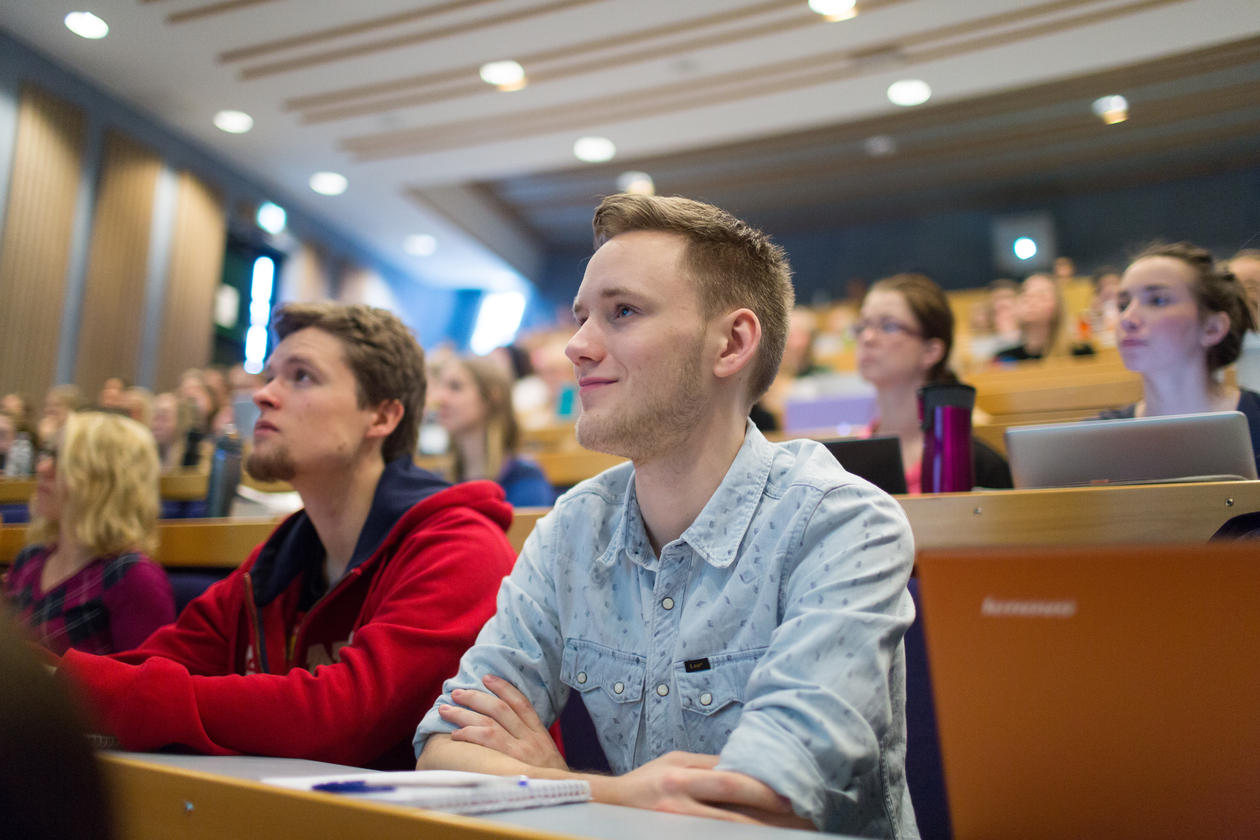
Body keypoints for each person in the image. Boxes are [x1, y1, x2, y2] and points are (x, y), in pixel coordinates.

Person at [414, 194, 918, 837]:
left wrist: (555, 783)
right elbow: (442, 754)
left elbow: (760, 802)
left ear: (732, 343)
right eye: (581, 317)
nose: (576, 346)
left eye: (622, 312)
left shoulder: (843, 525)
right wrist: (604, 794)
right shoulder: (571, 530)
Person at [55, 303, 517, 769]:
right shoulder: (276, 561)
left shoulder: (461, 547)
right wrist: (45, 682)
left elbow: (340, 719)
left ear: (381, 417)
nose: (263, 395)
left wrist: (76, 686)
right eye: (270, 375)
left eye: (302, 377)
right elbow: (157, 662)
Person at [3, 411, 174, 655]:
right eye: (48, 455)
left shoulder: (134, 578)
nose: (42, 468)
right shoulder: (29, 560)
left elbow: (147, 677)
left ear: (104, 480)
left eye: (62, 460)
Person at [1100, 242, 1260, 473]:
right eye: (1123, 305)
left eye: (1158, 300)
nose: (1127, 319)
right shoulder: (1096, 441)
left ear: (1212, 328)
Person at [853, 273, 1012, 493]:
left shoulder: (979, 467)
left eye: (888, 326)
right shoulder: (845, 462)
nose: (867, 337)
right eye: (863, 325)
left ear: (931, 351)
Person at [431, 355, 554, 507]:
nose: (440, 398)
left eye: (455, 387)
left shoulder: (526, 479)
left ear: (492, 397)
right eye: (440, 387)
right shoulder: (438, 482)